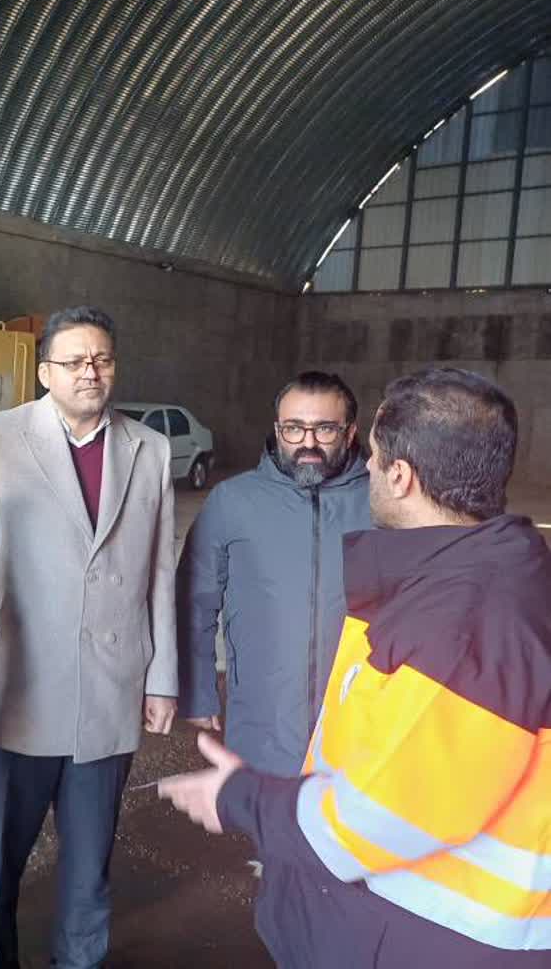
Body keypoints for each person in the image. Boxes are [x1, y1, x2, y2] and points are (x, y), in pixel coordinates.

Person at [160, 367, 551, 967]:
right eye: (293, 427)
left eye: (370, 452)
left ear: (399, 475)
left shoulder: (464, 622)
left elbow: (383, 819)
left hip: (444, 933)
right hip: (399, 893)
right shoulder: (482, 573)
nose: (364, 466)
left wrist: (243, 800)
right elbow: (197, 598)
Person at [0, 305, 178, 969]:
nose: (90, 372)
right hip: (14, 692)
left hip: (107, 693)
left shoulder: (149, 448)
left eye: (102, 359)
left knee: (89, 868)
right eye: (75, 360)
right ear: (45, 371)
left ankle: (79, 961)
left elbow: (158, 570)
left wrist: (161, 677)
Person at [176, 371, 371, 775]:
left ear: (350, 432)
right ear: (278, 429)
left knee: (352, 814)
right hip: (263, 715)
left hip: (364, 718)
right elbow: (195, 600)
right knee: (266, 811)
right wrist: (197, 692)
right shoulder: (233, 500)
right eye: (294, 429)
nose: (308, 443)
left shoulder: (383, 502)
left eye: (325, 429)